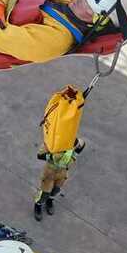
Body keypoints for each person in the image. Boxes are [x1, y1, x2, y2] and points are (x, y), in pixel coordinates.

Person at [34, 86, 87, 221]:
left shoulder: (72, 142)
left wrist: (75, 151)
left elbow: (81, 146)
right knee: (44, 193)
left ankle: (50, 201)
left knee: (55, 190)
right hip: (50, 171)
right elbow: (39, 155)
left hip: (63, 172)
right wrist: (51, 155)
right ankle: (38, 205)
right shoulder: (52, 143)